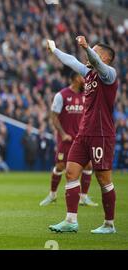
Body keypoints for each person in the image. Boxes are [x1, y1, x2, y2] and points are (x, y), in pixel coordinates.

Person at [46, 36, 118, 234]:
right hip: (83, 133)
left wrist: (87, 47)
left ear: (104, 58)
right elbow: (72, 61)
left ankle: (109, 224)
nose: (88, 56)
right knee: (70, 172)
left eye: (94, 52)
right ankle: (71, 221)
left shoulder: (109, 75)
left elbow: (94, 62)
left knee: (103, 179)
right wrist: (55, 50)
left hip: (101, 134)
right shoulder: (88, 74)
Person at [39, 72, 98, 207]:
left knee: (88, 166)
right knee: (60, 166)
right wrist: (62, 133)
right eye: (82, 77)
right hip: (66, 138)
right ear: (76, 79)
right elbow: (53, 117)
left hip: (82, 138)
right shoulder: (61, 95)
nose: (85, 80)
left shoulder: (86, 95)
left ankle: (84, 197)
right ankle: (52, 195)